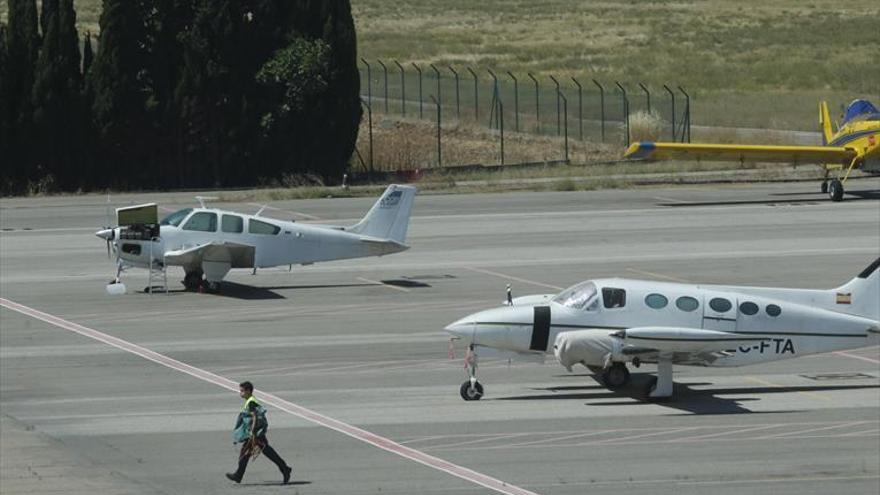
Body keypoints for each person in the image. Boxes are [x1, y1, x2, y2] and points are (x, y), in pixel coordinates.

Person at [226, 381, 293, 484]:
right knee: (260, 452)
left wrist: (252, 432)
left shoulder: (251, 402)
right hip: (255, 434)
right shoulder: (250, 400)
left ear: (248, 391)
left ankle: (285, 469)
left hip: (255, 434)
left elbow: (255, 417)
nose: (240, 393)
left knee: (258, 452)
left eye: (242, 391)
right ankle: (285, 468)